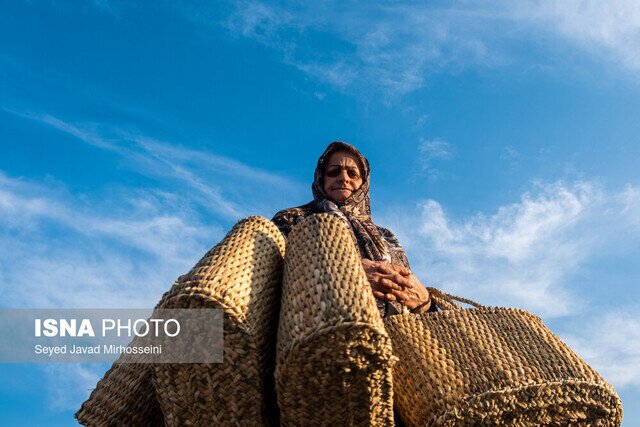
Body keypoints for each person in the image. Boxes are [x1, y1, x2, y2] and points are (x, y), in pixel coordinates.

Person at [272, 141, 433, 317]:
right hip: (320, 327)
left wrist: (426, 302)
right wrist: (349, 274)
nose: (343, 178)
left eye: (352, 174)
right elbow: (268, 276)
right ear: (321, 178)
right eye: (334, 172)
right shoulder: (293, 219)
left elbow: (412, 298)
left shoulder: (386, 237)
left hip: (395, 332)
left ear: (364, 183)